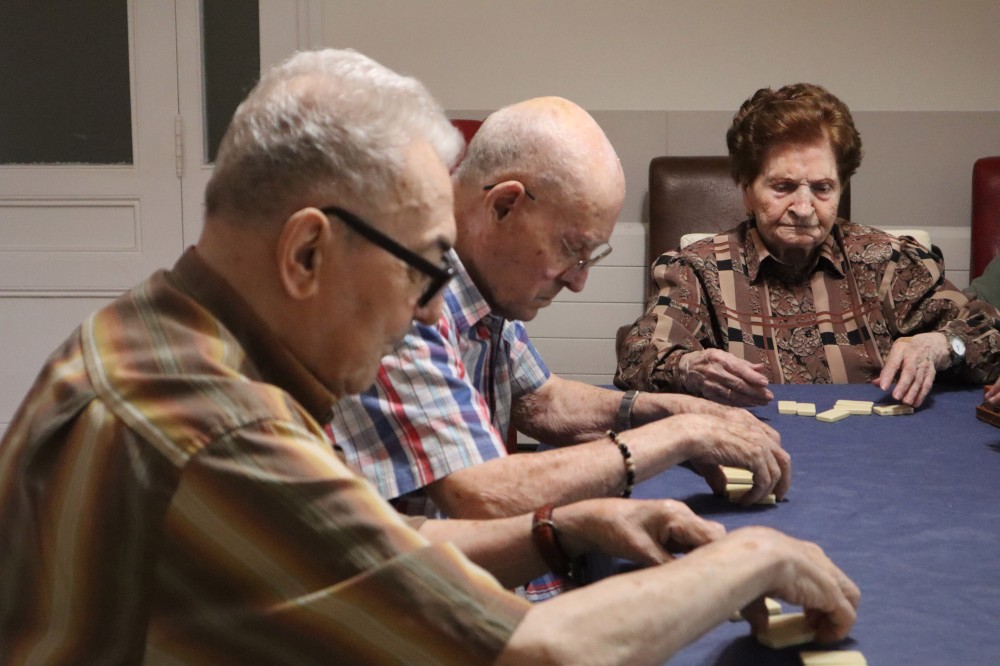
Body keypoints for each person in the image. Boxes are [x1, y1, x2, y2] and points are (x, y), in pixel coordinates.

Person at [0, 49, 860, 663]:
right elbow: (539, 652)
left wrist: (560, 530)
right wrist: (751, 557)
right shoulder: (218, 431)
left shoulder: (162, 332)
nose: (426, 307)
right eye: (419, 268)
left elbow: (369, 549)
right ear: (306, 255)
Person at [327, 98, 791, 597]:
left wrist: (672, 410)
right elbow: (483, 495)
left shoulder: (481, 281)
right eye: (573, 249)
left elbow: (540, 400)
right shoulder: (405, 296)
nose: (579, 282)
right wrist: (680, 435)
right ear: (503, 205)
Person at [616, 82, 1000, 409]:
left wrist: (942, 344)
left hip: (882, 461)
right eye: (783, 187)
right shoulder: (698, 272)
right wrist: (688, 369)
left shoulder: (890, 264)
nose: (803, 208)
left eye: (822, 188)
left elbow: (989, 334)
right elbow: (637, 355)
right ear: (747, 190)